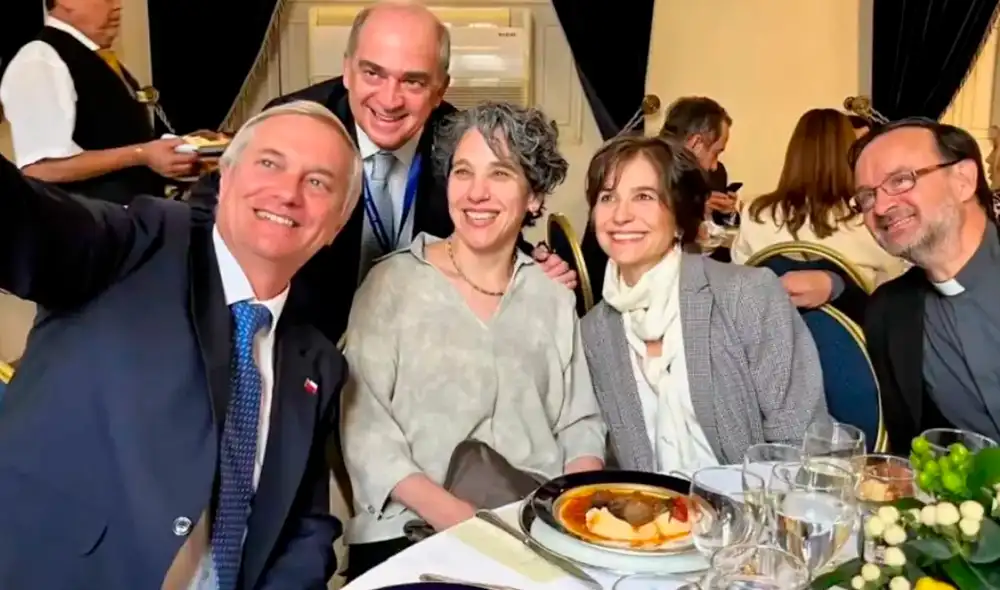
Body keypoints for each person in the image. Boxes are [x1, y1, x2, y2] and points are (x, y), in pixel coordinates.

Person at [0, 101, 357, 589]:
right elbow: (21, 220)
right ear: (226, 179)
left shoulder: (316, 360)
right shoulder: (138, 242)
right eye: (270, 163)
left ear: (336, 224)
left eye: (318, 182)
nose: (288, 193)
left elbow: (304, 526)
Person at [187, 1, 576, 344]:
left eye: (413, 81)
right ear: (347, 71)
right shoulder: (297, 123)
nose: (389, 100)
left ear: (440, 90)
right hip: (303, 338)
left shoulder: (460, 143)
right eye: (373, 73)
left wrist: (530, 265)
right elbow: (213, 207)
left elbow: (485, 219)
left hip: (418, 345)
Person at [341, 102, 607, 578]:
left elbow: (580, 422)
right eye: (463, 172)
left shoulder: (552, 297)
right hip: (410, 533)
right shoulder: (392, 283)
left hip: (535, 527)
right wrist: (465, 524)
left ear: (534, 197)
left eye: (500, 174)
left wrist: (575, 517)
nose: (476, 193)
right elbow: (365, 433)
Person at [580, 134, 827, 471]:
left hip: (754, 512)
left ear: (680, 217)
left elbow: (801, 441)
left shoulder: (745, 296)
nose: (620, 215)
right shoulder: (595, 330)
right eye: (608, 197)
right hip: (653, 516)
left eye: (644, 196)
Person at [851, 118, 1000, 451]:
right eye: (866, 197)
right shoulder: (890, 314)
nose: (883, 207)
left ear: (963, 179)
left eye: (901, 180)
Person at [0, 0, 199, 204]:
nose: (117, 6)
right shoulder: (39, 60)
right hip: (86, 227)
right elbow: (41, 168)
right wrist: (142, 154)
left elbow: (113, 140)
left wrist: (182, 150)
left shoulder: (97, 58)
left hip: (127, 225)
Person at [732, 109, 908, 299]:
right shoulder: (869, 218)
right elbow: (896, 282)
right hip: (851, 326)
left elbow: (739, 280)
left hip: (769, 325)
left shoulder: (755, 213)